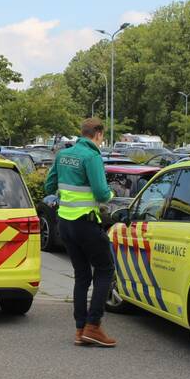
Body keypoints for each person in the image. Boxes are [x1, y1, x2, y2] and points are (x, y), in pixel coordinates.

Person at [45, 117, 117, 347]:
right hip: (86, 222)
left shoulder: (64, 154)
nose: (102, 140)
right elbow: (101, 192)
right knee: (105, 269)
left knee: (82, 275)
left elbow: (49, 185)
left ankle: (80, 329)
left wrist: (62, 196)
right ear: (97, 133)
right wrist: (111, 196)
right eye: (102, 136)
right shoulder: (91, 155)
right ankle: (93, 326)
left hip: (64, 223)